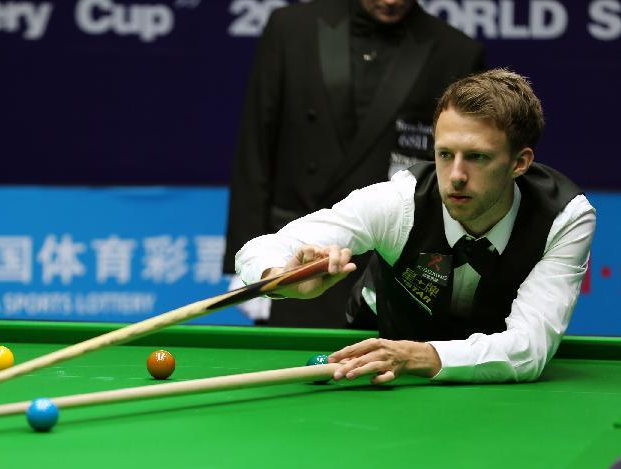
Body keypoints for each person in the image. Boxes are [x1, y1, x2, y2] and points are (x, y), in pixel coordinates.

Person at [235, 69, 595, 383]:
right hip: (378, 355)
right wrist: (284, 277)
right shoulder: (398, 202)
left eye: (477, 157)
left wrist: (423, 357)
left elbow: (529, 349)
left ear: (520, 162)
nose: (455, 176)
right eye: (444, 154)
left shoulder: (563, 219)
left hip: (491, 373)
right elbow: (259, 249)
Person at [223, 0, 485, 328]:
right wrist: (257, 270)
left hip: (390, 266)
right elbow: (256, 145)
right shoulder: (291, 28)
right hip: (299, 254)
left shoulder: (456, 51)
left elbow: (460, 174)